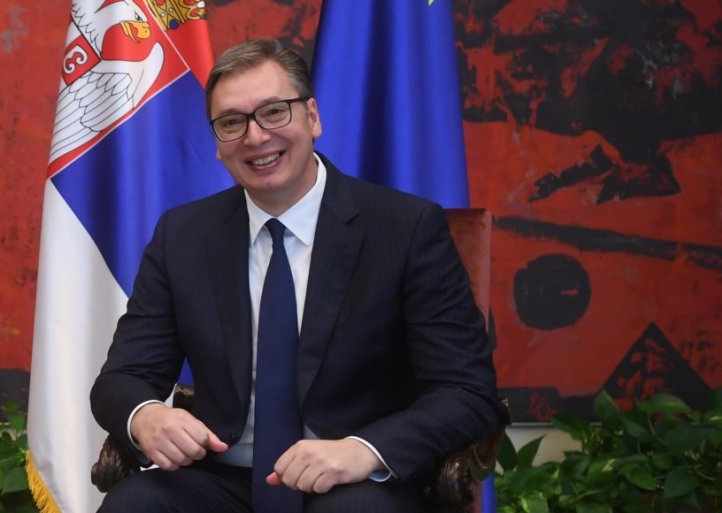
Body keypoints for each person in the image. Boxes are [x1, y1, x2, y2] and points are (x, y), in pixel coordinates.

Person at [90, 38, 499, 513]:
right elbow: (123, 376)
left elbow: (467, 391)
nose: (255, 137)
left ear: (313, 117)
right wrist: (146, 416)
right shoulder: (182, 235)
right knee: (135, 503)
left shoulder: (405, 229)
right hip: (224, 478)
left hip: (356, 481)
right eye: (232, 122)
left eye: (273, 112)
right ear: (217, 144)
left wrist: (364, 451)